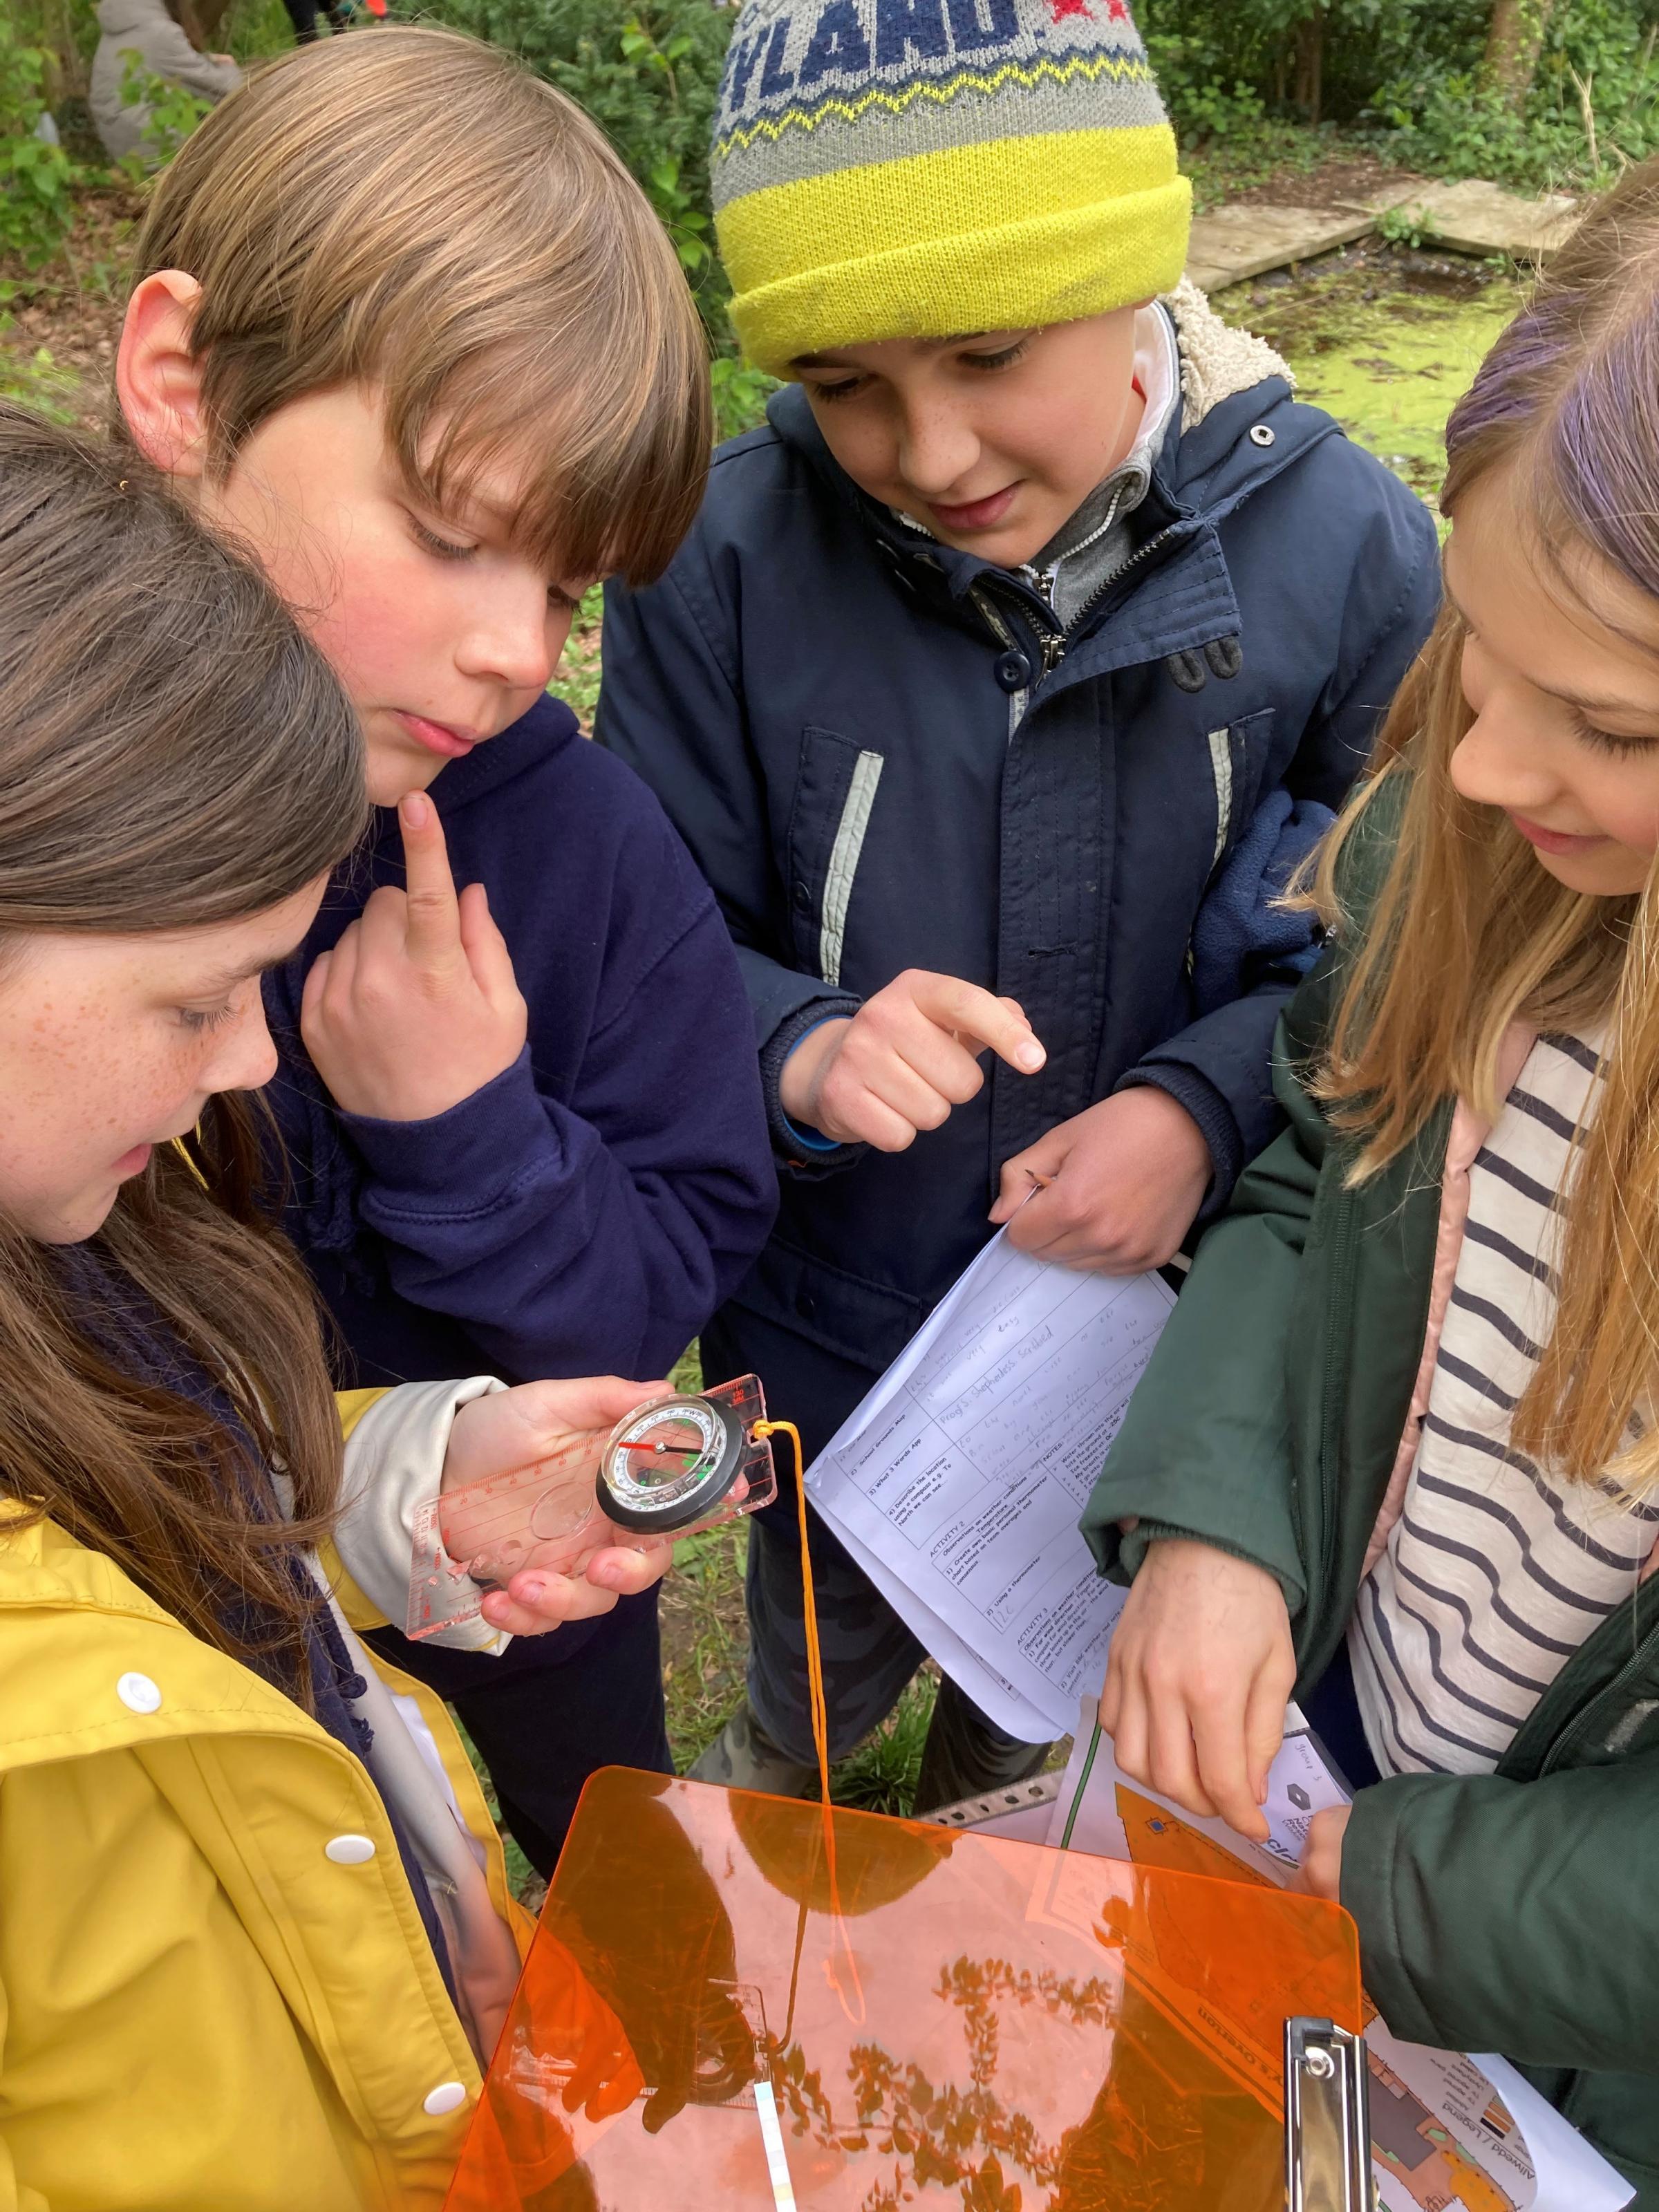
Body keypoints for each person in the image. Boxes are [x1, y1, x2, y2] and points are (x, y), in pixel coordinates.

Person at [598, 0, 1441, 1808]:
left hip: (1146, 1357)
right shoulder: (722, 556)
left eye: (988, 353)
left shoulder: (1353, 555)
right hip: (831, 1339)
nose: (931, 448)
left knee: (1033, 1737)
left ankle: (994, 1810)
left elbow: (1403, 945)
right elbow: (644, 926)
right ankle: (785, 1812)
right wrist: (798, 1043)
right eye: (845, 386)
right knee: (806, 1686)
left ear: (1137, 270)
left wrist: (1203, 1105)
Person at [113, 28, 778, 1873]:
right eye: (452, 535)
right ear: (180, 380)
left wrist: (472, 1131)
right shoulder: (56, 807)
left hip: (523, 1683)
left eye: (564, 587)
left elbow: (661, 1294)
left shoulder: (587, 855)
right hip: (149, 1724)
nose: (516, 650)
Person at [0, 405, 675, 2211]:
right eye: (196, 1000)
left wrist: (398, 1497)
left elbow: (146, 1563)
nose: (255, 1059)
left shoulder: (74, 1253)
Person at [1087, 164, 1659, 2206]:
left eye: (1598, 720)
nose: (1481, 765)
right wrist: (1225, 1518)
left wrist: (1421, 1890)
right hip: (1338, 1737)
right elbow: (1325, 1166)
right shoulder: (1479, 845)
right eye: (1473, 652)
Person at [89, 0, 240, 165]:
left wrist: (205, 60)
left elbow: (162, 62)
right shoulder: (160, 32)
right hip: (157, 154)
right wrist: (229, 66)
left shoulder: (120, 27)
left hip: (123, 149)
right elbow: (229, 90)